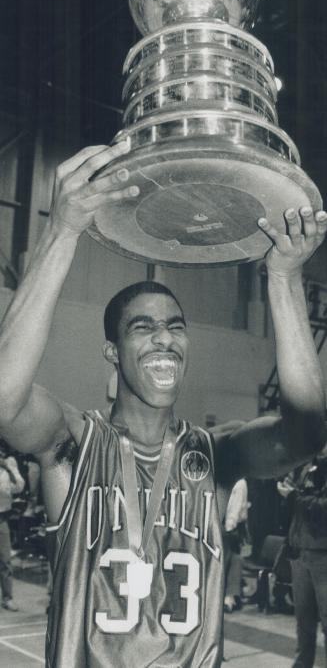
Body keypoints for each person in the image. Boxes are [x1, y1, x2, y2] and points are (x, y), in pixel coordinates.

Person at [0, 142, 326, 668]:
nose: (165, 339)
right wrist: (62, 231)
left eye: (176, 327)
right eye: (143, 328)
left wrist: (284, 279)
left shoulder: (217, 455)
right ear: (112, 351)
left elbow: (307, 434)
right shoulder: (75, 447)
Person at [278, 450, 327, 667]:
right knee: (304, 622)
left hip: (322, 556)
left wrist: (293, 496)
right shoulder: (307, 465)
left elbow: (323, 509)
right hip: (300, 551)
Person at [0, 440, 25, 610]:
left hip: (2, 518)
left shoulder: (8, 468)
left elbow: (19, 488)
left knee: (5, 560)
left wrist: (10, 469)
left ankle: (7, 598)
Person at [223, 478, 249, 613]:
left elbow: (235, 509)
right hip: (222, 526)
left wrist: (228, 528)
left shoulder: (239, 483)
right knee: (232, 561)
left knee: (233, 560)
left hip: (232, 529)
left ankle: (230, 598)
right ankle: (229, 597)